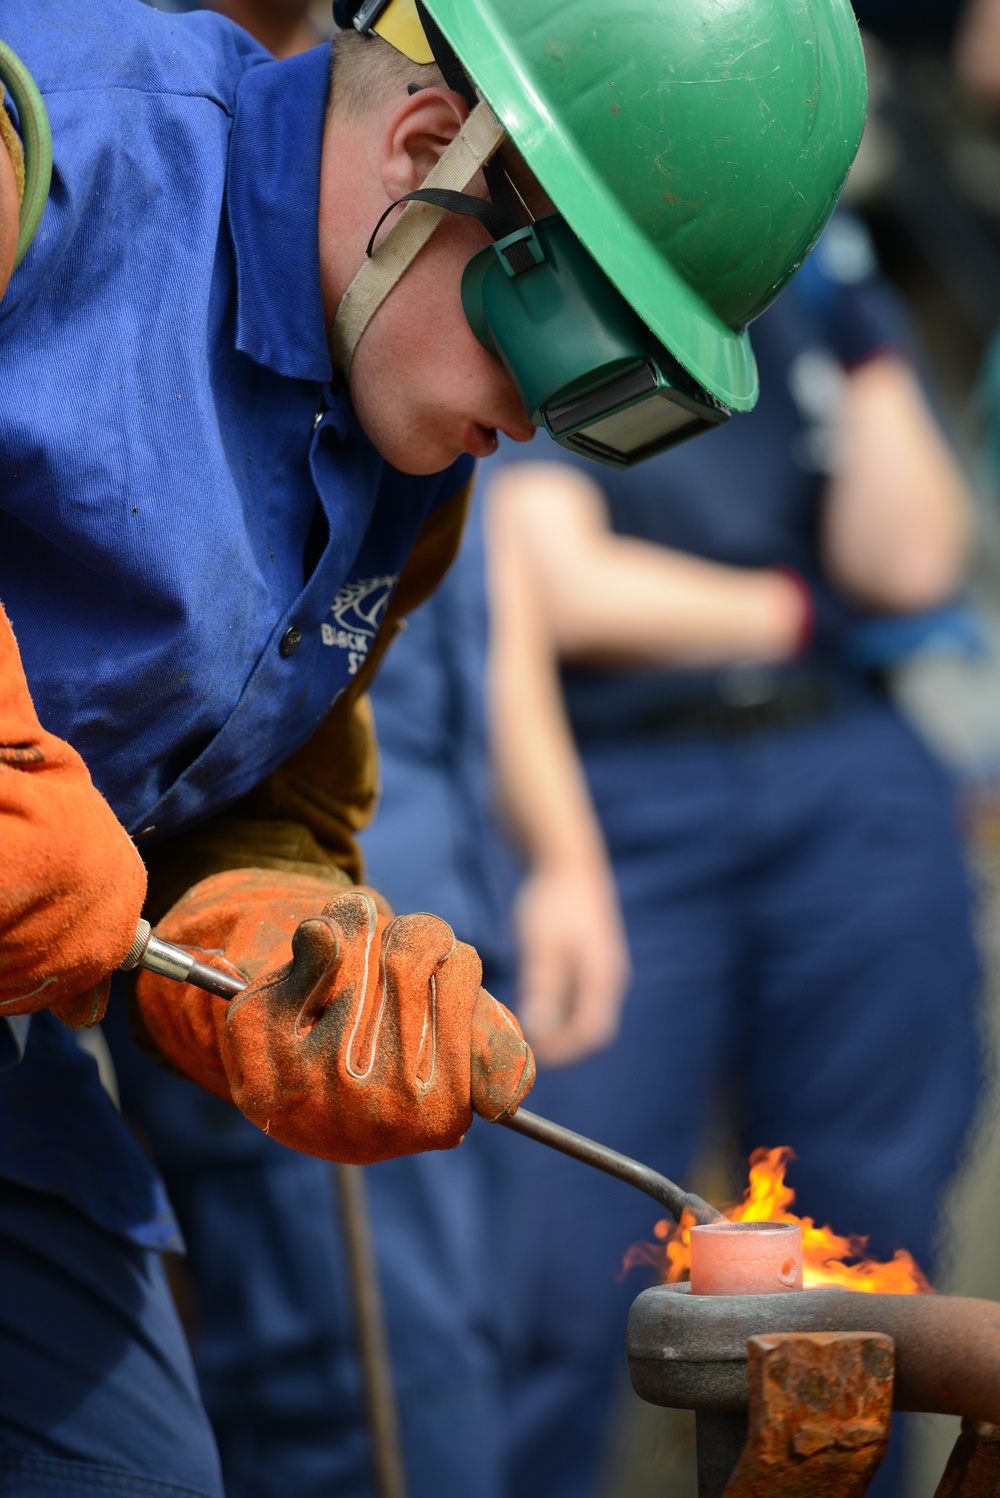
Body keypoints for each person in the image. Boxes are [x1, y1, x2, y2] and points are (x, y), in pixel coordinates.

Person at [0, 0, 866, 1493]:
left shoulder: (401, 450)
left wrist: (283, 949)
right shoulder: (64, 144)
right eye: (577, 334)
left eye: (627, 386)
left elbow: (250, 807)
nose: (546, 416)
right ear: (426, 151)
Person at [481, 214, 982, 1498]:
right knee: (551, 1283)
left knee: (865, 1266)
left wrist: (852, 304)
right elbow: (560, 586)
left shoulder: (817, 268)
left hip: (845, 770)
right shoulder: (554, 234)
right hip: (621, 788)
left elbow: (913, 555)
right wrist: (794, 607)